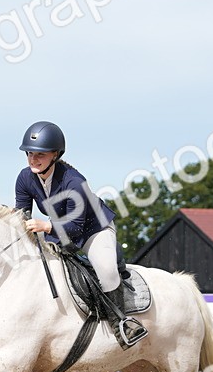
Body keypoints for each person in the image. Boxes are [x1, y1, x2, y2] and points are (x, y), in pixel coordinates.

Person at [13, 120, 146, 346]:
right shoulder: (25, 178)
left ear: (55, 154)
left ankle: (121, 323)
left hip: (93, 230)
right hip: (59, 230)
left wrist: (46, 227)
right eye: (30, 153)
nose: (33, 159)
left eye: (40, 154)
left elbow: (75, 227)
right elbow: (21, 214)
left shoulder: (75, 181)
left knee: (106, 270)